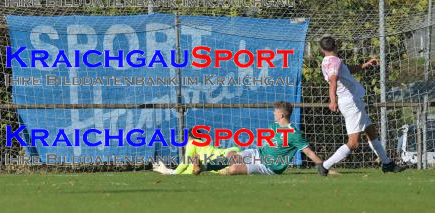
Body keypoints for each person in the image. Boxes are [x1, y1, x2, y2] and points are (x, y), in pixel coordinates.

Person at [317, 35, 403, 175]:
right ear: (336, 46)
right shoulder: (335, 61)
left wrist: (364, 65)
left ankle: (387, 163)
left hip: (352, 102)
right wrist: (332, 100)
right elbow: (333, 80)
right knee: (353, 143)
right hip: (351, 104)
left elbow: (346, 70)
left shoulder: (328, 62)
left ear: (321, 50)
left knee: (371, 132)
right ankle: (325, 166)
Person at [197, 101, 325, 176]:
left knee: (233, 169)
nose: (273, 113)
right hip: (258, 154)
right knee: (231, 156)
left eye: (275, 111)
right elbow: (267, 144)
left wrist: (321, 166)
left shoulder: (294, 134)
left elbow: (309, 152)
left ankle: (224, 170)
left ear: (281, 114)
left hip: (268, 166)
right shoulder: (273, 126)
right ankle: (202, 167)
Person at [152, 127, 241, 175]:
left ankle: (226, 169)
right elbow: (190, 172)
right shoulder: (199, 152)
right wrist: (168, 171)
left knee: (207, 167)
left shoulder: (192, 143)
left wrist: (173, 173)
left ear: (189, 137)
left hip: (220, 158)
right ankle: (227, 169)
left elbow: (185, 163)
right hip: (231, 152)